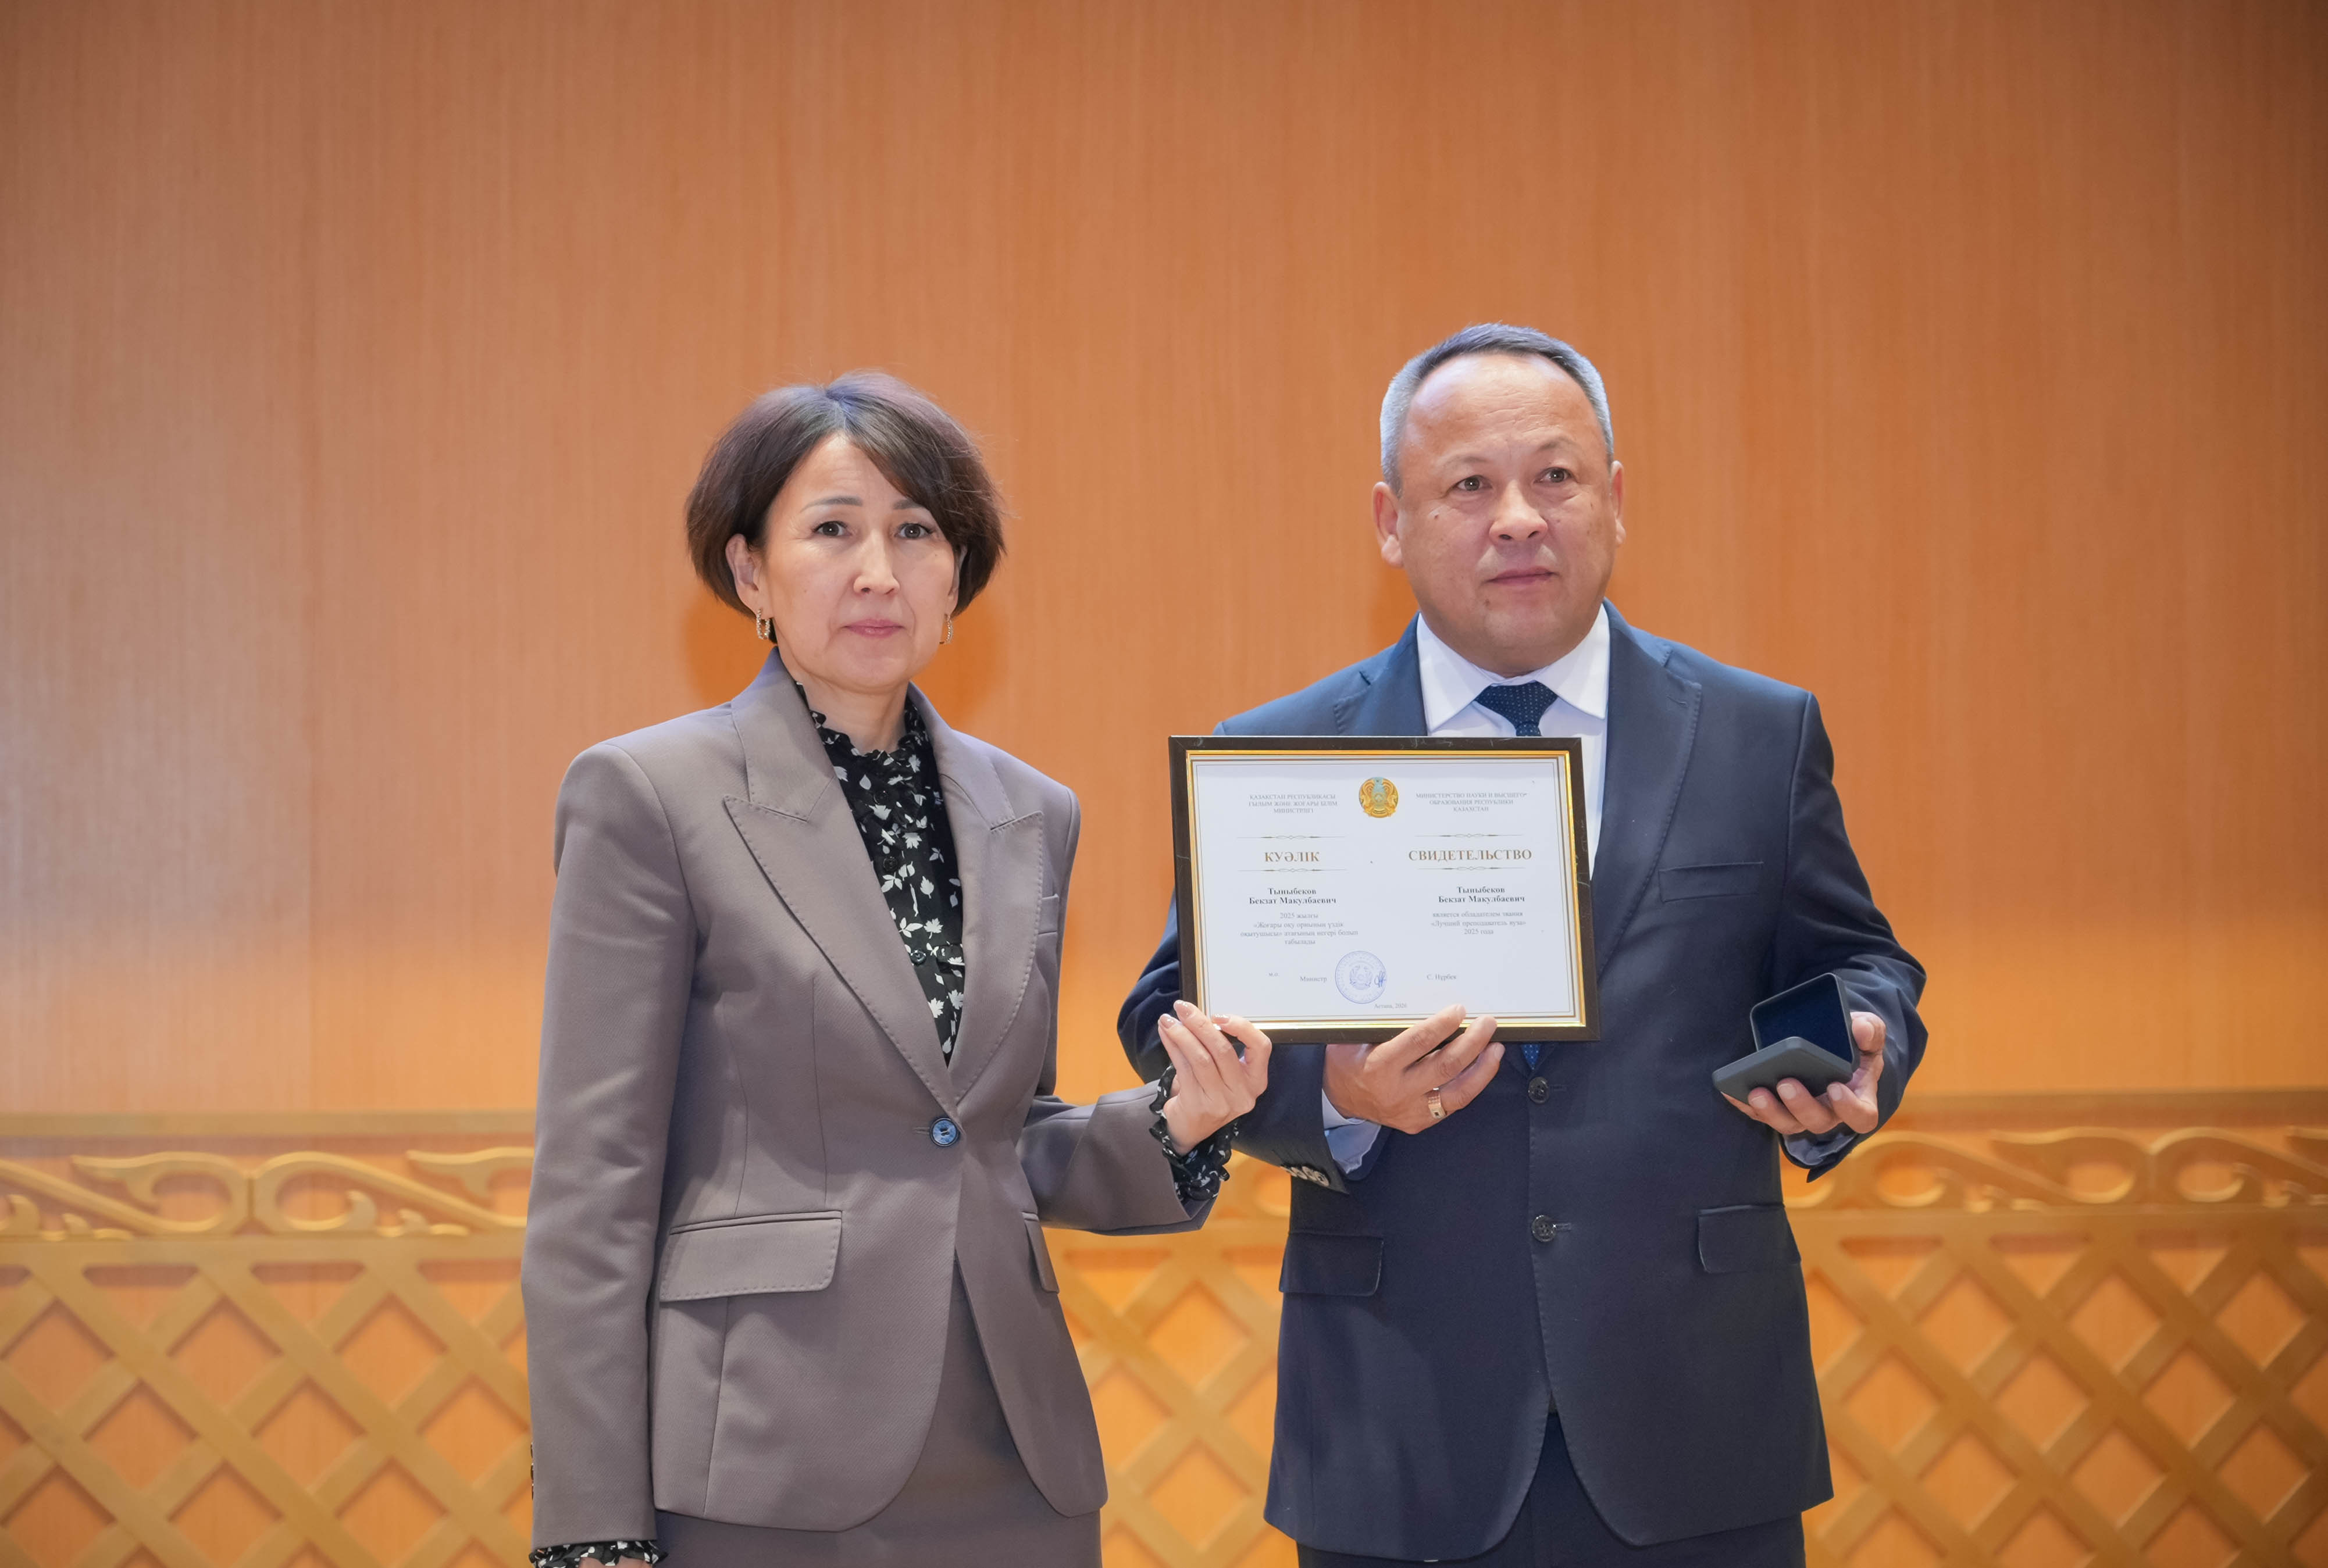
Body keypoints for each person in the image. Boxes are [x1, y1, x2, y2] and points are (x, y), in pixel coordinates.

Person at [1118, 325, 1926, 1566]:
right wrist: (1333, 1095)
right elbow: (1170, 1014)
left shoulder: (1756, 731)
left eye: (1556, 476)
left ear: (1617, 498)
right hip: (1397, 1415)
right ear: (1390, 522)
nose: (1518, 519)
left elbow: (1859, 961)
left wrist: (1863, 1042)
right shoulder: (1287, 750)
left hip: (1697, 1406)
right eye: (1468, 484)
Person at [523, 372, 1274, 1567]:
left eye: (916, 532)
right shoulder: (648, 795)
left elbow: (995, 1135)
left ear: (956, 577)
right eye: (832, 529)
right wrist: (593, 1523)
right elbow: (594, 1183)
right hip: (763, 1449)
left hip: (1013, 1450)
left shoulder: (1032, 810)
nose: (879, 570)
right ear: (750, 572)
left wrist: (1177, 1121)